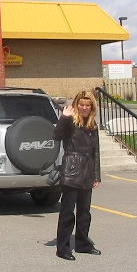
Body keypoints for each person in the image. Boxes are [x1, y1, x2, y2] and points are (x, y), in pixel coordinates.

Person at [53, 90, 101, 261]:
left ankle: (83, 244)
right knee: (67, 212)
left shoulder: (93, 125)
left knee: (84, 212)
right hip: (71, 170)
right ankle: (63, 248)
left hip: (87, 171)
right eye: (81, 105)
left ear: (92, 107)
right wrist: (64, 118)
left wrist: (96, 175)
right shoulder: (71, 122)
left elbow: (96, 152)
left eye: (87, 105)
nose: (84, 108)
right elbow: (57, 136)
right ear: (76, 105)